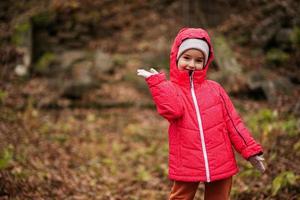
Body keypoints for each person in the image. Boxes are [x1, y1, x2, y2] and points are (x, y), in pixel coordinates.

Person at [137, 28, 265, 200]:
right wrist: (158, 85)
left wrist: (250, 151)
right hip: (187, 160)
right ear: (176, 57)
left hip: (221, 159)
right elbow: (173, 111)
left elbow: (234, 123)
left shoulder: (215, 89)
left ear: (206, 63)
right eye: (186, 57)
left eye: (199, 60)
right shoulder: (171, 89)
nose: (192, 64)